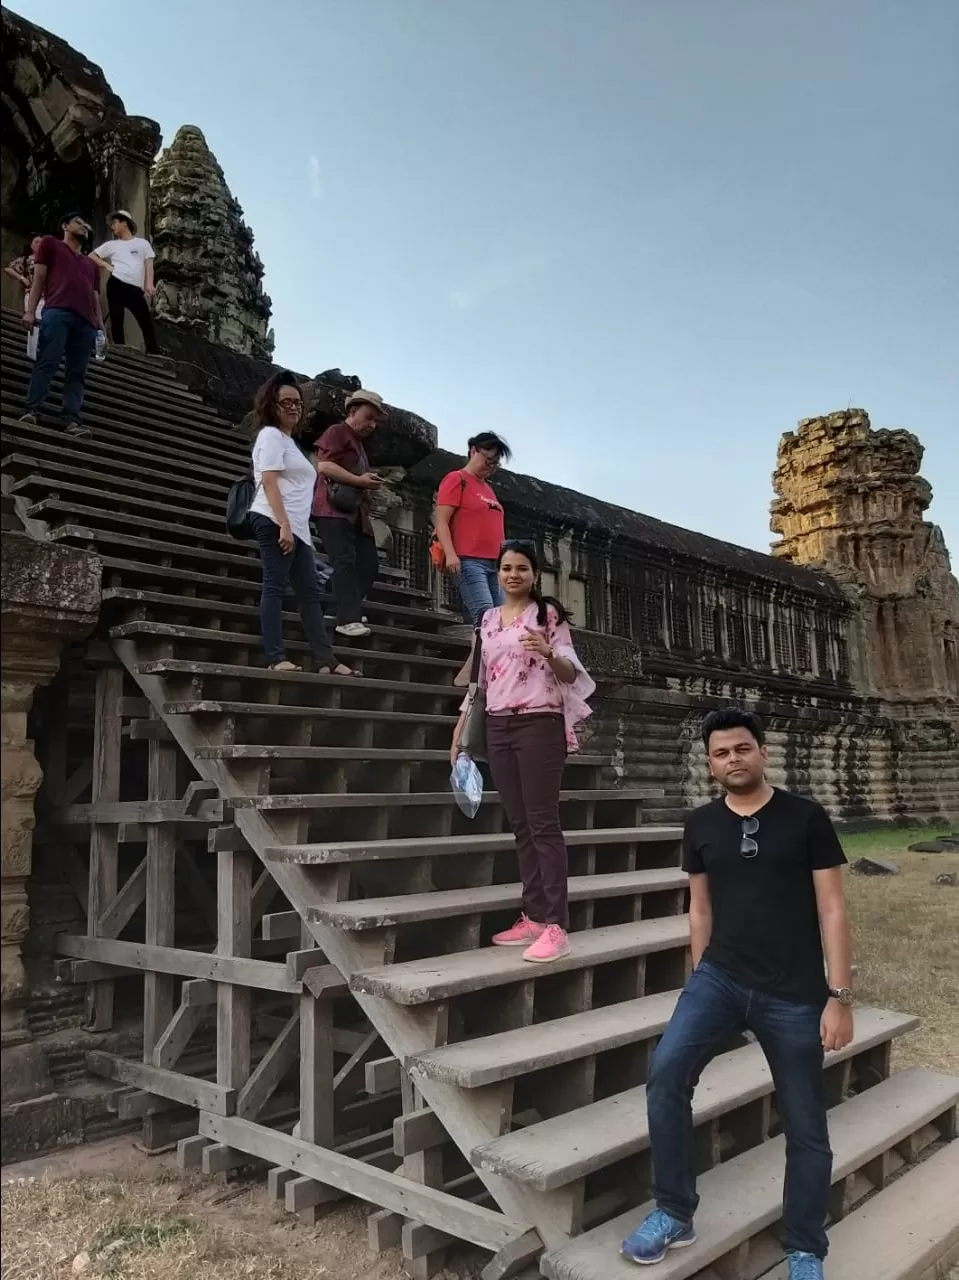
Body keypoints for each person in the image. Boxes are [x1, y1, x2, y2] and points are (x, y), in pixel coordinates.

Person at [621, 707, 853, 1280]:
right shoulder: (700, 823)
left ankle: (804, 1247)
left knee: (805, 1121)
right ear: (710, 763)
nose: (733, 760)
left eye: (742, 749)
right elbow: (699, 908)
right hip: (720, 980)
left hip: (795, 991)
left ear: (762, 752)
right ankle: (675, 1211)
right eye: (722, 753)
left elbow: (833, 908)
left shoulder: (805, 817)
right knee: (667, 1073)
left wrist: (839, 994)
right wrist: (699, 975)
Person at [450, 540, 595, 964]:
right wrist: (459, 732)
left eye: (522, 568)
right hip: (497, 724)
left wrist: (550, 652)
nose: (513, 575)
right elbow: (480, 682)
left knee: (542, 823)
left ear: (535, 575)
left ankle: (555, 925)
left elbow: (571, 673)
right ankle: (532, 915)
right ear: (497, 573)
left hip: (539, 722)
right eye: (506, 568)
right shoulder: (488, 620)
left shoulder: (547, 617)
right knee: (519, 824)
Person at [248, 370, 354, 676]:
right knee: (275, 587)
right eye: (286, 402)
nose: (294, 407)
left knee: (310, 594)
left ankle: (326, 660)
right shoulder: (270, 436)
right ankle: (274, 655)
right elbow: (268, 482)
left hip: (297, 528)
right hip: (273, 519)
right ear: (272, 405)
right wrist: (283, 524)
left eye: (297, 402)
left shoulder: (289, 442)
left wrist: (298, 529)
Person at [19, 212, 103, 437]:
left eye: (86, 223)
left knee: (77, 372)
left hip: (86, 321)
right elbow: (39, 278)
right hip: (58, 311)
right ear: (65, 226)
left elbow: (95, 298)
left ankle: (72, 420)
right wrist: (29, 311)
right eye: (78, 222)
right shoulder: (51, 244)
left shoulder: (91, 265)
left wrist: (101, 330)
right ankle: (32, 409)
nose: (84, 225)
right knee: (48, 359)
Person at [313, 389, 387, 639]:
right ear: (353, 412)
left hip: (355, 512)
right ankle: (347, 618)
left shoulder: (359, 445)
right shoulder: (337, 432)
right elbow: (323, 466)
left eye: (374, 420)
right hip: (331, 509)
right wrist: (359, 480)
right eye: (368, 417)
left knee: (368, 565)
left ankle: (339, 607)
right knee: (344, 562)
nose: (371, 424)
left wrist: (366, 485)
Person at [433, 432, 511, 624]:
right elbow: (441, 520)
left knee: (501, 620)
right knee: (486, 617)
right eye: (489, 460)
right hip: (469, 561)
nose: (491, 467)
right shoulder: (457, 479)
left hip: (495, 563)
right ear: (474, 451)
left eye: (495, 464)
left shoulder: (488, 489)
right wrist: (451, 554)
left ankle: (482, 654)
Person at [90, 210, 159, 354]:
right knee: (117, 319)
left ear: (124, 223)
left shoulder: (142, 243)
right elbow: (92, 255)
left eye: (115, 223)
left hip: (134, 288)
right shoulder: (111, 245)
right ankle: (119, 350)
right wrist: (106, 265)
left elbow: (148, 264)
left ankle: (154, 352)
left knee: (145, 320)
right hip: (116, 283)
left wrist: (149, 284)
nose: (112, 227)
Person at [5, 235, 44, 360]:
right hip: (32, 295)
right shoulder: (27, 259)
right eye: (36, 242)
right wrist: (22, 278)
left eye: (42, 242)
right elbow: (9, 269)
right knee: (35, 321)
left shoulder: (50, 260)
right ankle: (32, 354)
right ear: (31, 245)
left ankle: (43, 353)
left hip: (49, 297)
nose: (39, 244)